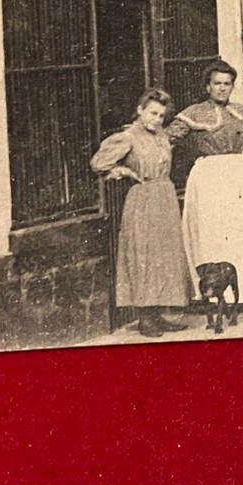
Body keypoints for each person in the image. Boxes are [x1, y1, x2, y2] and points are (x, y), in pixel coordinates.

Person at [170, 60, 243, 305]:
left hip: (239, 179)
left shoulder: (240, 113)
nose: (222, 88)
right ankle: (213, 295)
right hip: (209, 179)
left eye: (227, 84)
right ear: (207, 86)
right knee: (214, 234)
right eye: (217, 83)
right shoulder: (194, 113)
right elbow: (167, 139)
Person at [90, 88, 192, 338]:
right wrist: (124, 171)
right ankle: (145, 317)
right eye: (152, 113)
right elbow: (98, 163)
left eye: (161, 115)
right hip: (143, 198)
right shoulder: (128, 136)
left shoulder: (161, 135)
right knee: (144, 254)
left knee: (165, 255)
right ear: (140, 110)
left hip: (164, 196)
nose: (157, 119)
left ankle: (158, 314)